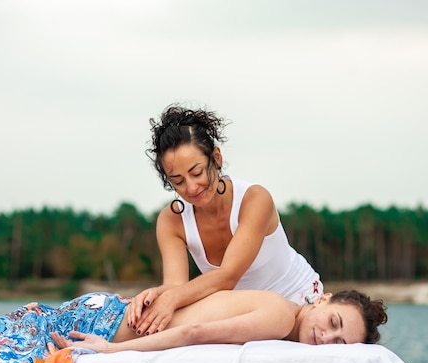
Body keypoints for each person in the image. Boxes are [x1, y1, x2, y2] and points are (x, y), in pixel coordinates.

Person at [128, 104, 325, 337]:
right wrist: (153, 296)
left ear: (217, 158)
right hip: (244, 315)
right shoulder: (171, 221)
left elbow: (228, 276)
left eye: (197, 172)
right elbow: (176, 287)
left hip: (300, 300)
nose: (191, 187)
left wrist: (172, 297)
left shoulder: (254, 199)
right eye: (178, 181)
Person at [0, 288, 387, 359]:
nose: (327, 337)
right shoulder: (280, 316)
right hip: (110, 322)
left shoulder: (279, 313)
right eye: (335, 321)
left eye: (340, 342)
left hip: (113, 311)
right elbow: (196, 333)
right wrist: (110, 352)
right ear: (321, 299)